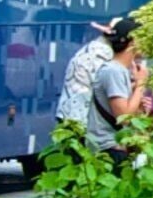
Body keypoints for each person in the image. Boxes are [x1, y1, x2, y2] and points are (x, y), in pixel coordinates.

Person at [53, 14, 145, 167]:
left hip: (81, 125)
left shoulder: (99, 53)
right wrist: (139, 85)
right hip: (84, 128)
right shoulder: (107, 60)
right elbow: (122, 113)